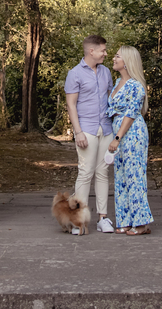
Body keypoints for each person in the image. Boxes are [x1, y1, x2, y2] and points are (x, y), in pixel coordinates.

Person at [64, 34, 116, 234]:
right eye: (103, 50)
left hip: (106, 128)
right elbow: (71, 105)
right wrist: (78, 132)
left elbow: (111, 98)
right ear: (91, 51)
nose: (105, 54)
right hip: (86, 129)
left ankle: (103, 218)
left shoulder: (106, 72)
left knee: (103, 173)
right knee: (85, 173)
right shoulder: (74, 74)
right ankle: (78, 220)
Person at [106, 45, 153, 235]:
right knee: (121, 177)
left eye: (118, 56)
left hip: (132, 133)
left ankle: (141, 223)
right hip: (118, 130)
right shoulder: (118, 82)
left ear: (127, 61)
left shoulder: (135, 86)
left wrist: (117, 138)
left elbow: (131, 113)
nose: (114, 58)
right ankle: (125, 220)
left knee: (135, 176)